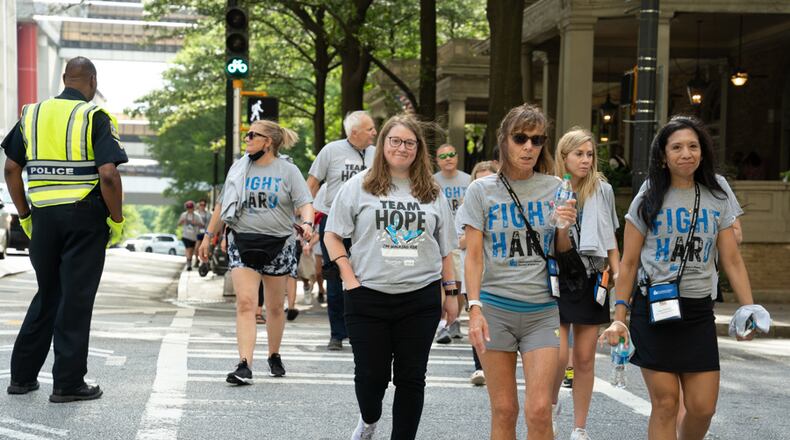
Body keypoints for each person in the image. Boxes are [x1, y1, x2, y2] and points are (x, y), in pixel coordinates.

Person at [600, 116, 764, 440]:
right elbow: (629, 263)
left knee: (702, 408)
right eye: (676, 147)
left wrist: (748, 309)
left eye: (692, 146)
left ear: (703, 152)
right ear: (663, 155)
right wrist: (619, 318)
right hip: (653, 310)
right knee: (665, 403)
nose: (686, 153)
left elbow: (731, 258)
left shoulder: (717, 194)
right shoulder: (649, 196)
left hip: (698, 311)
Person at [2, 57, 127, 402]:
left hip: (43, 218)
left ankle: (22, 377)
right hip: (83, 218)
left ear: (64, 78)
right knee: (75, 298)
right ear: (92, 81)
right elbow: (108, 175)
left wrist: (25, 214)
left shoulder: (31, 115)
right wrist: (116, 219)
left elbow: (11, 168)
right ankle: (68, 384)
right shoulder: (95, 116)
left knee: (48, 293)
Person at [324, 114, 456, 440]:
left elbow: (445, 249)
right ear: (383, 144)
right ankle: (369, 419)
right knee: (371, 377)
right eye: (395, 141)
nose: (402, 148)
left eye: (409, 143)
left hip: (420, 297)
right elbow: (332, 235)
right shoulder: (359, 186)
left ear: (418, 148)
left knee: (412, 378)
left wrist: (452, 293)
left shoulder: (432, 191)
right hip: (367, 295)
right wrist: (349, 278)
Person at [459, 103, 577, 440]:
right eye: (520, 138)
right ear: (504, 140)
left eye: (537, 140)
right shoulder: (481, 190)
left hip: (543, 310)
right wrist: (474, 308)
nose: (529, 147)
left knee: (540, 410)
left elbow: (562, 251)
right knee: (505, 409)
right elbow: (474, 257)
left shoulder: (556, 187)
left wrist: (565, 228)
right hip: (496, 309)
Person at [217, 119, 314, 385]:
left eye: (252, 135)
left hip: (279, 244)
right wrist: (209, 236)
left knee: (275, 307)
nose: (246, 139)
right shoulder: (239, 168)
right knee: (246, 303)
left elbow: (305, 202)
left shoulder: (288, 170)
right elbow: (223, 204)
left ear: (267, 142)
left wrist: (307, 223)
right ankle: (244, 364)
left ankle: (274, 354)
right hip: (242, 240)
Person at [550, 128, 621, 440]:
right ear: (564, 156)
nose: (585, 160)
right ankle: (551, 407)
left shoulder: (603, 190)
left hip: (593, 277)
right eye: (578, 154)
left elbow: (610, 237)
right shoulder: (552, 188)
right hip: (559, 276)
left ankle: (580, 427)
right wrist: (563, 225)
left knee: (584, 358)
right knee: (557, 354)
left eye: (589, 154)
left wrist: (618, 272)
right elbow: (557, 246)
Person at [306, 110, 377, 351]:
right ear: (354, 132)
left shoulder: (377, 154)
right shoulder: (331, 151)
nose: (374, 133)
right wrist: (307, 220)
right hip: (333, 222)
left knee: (365, 275)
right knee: (335, 276)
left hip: (367, 223)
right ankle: (337, 333)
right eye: (370, 129)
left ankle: (361, 329)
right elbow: (311, 185)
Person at [457, 160, 499, 386]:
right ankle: (479, 367)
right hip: (474, 274)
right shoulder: (465, 208)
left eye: (488, 179)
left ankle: (497, 366)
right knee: (477, 318)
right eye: (478, 180)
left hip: (499, 274)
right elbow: (459, 242)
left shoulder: (504, 205)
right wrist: (477, 230)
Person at [433, 143, 471, 344]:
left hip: (461, 238)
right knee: (442, 283)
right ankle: (442, 325)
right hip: (439, 237)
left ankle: (454, 320)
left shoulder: (468, 180)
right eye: (443, 156)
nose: (448, 158)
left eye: (451, 154)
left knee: (458, 283)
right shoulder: (432, 181)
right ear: (437, 161)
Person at [178, 200, 204, 270]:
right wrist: (182, 221)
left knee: (192, 251)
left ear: (193, 208)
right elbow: (178, 224)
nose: (189, 209)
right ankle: (189, 264)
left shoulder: (197, 216)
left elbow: (202, 225)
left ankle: (190, 261)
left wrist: (196, 223)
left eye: (191, 208)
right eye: (188, 208)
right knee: (188, 249)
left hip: (194, 236)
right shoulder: (183, 215)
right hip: (186, 235)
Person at [195, 198, 211, 267]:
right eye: (201, 204)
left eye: (204, 205)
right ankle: (197, 260)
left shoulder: (209, 214)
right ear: (199, 205)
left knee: (206, 248)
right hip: (198, 232)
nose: (202, 206)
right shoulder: (196, 213)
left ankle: (206, 262)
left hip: (206, 233)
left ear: (205, 205)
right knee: (196, 248)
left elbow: (210, 224)